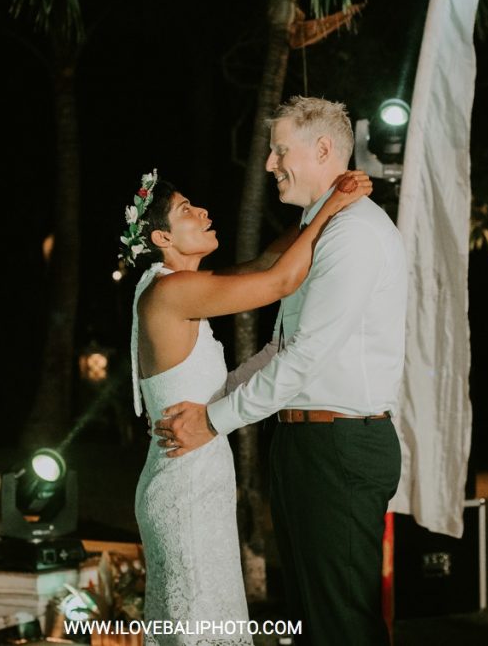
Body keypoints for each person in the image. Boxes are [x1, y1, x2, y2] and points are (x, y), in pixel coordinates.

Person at [154, 96, 407, 646]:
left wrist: (212, 420)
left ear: (323, 149)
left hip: (340, 446)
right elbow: (280, 346)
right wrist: (214, 400)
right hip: (306, 443)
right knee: (314, 623)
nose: (270, 164)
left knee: (342, 626)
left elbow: (305, 357)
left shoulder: (354, 234)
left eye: (279, 151)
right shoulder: (319, 231)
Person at [125, 166, 371, 645]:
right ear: (161, 237)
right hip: (186, 491)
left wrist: (317, 210)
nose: (203, 212)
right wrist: (334, 208)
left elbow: (264, 264)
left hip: (194, 482)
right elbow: (278, 282)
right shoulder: (171, 291)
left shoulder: (178, 286)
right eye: (186, 210)